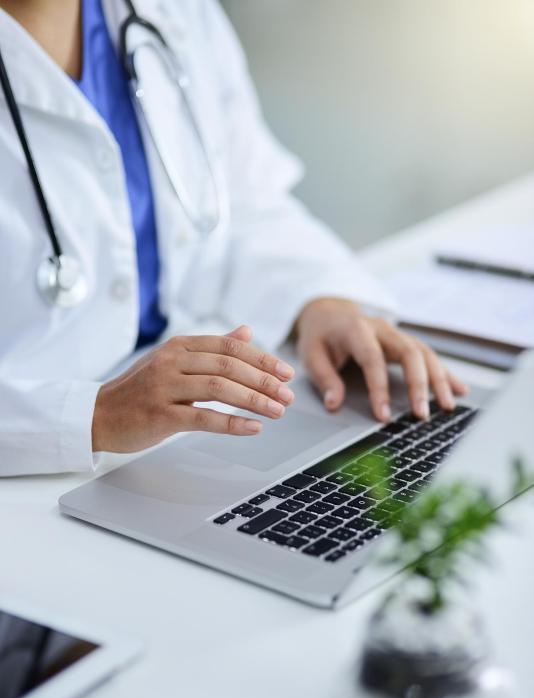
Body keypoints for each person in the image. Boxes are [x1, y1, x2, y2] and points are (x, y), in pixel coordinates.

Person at [0, 0, 467, 476]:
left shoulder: (177, 13)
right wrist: (92, 415)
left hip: (174, 440)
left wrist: (321, 301)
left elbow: (245, 201)